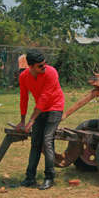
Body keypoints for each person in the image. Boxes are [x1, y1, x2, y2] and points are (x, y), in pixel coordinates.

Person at [16, 50, 64, 190]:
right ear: (30, 67)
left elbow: (44, 97)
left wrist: (31, 121)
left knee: (47, 141)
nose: (44, 67)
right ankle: (29, 178)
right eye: (40, 66)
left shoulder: (51, 73)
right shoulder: (24, 77)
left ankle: (49, 177)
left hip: (55, 107)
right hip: (41, 110)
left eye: (44, 64)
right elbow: (23, 98)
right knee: (35, 142)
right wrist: (22, 120)